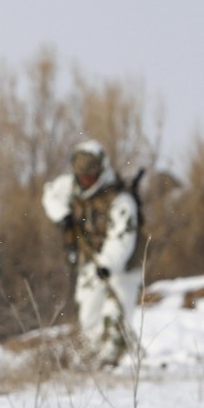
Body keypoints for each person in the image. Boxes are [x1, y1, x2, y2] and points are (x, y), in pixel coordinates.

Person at [42, 139, 144, 367]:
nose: (86, 181)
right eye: (82, 177)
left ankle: (111, 361)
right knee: (88, 314)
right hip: (89, 261)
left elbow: (123, 238)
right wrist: (63, 216)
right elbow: (49, 195)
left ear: (100, 172)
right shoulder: (70, 187)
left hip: (122, 267)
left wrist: (107, 264)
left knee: (115, 314)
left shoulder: (121, 200)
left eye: (91, 177)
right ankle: (90, 359)